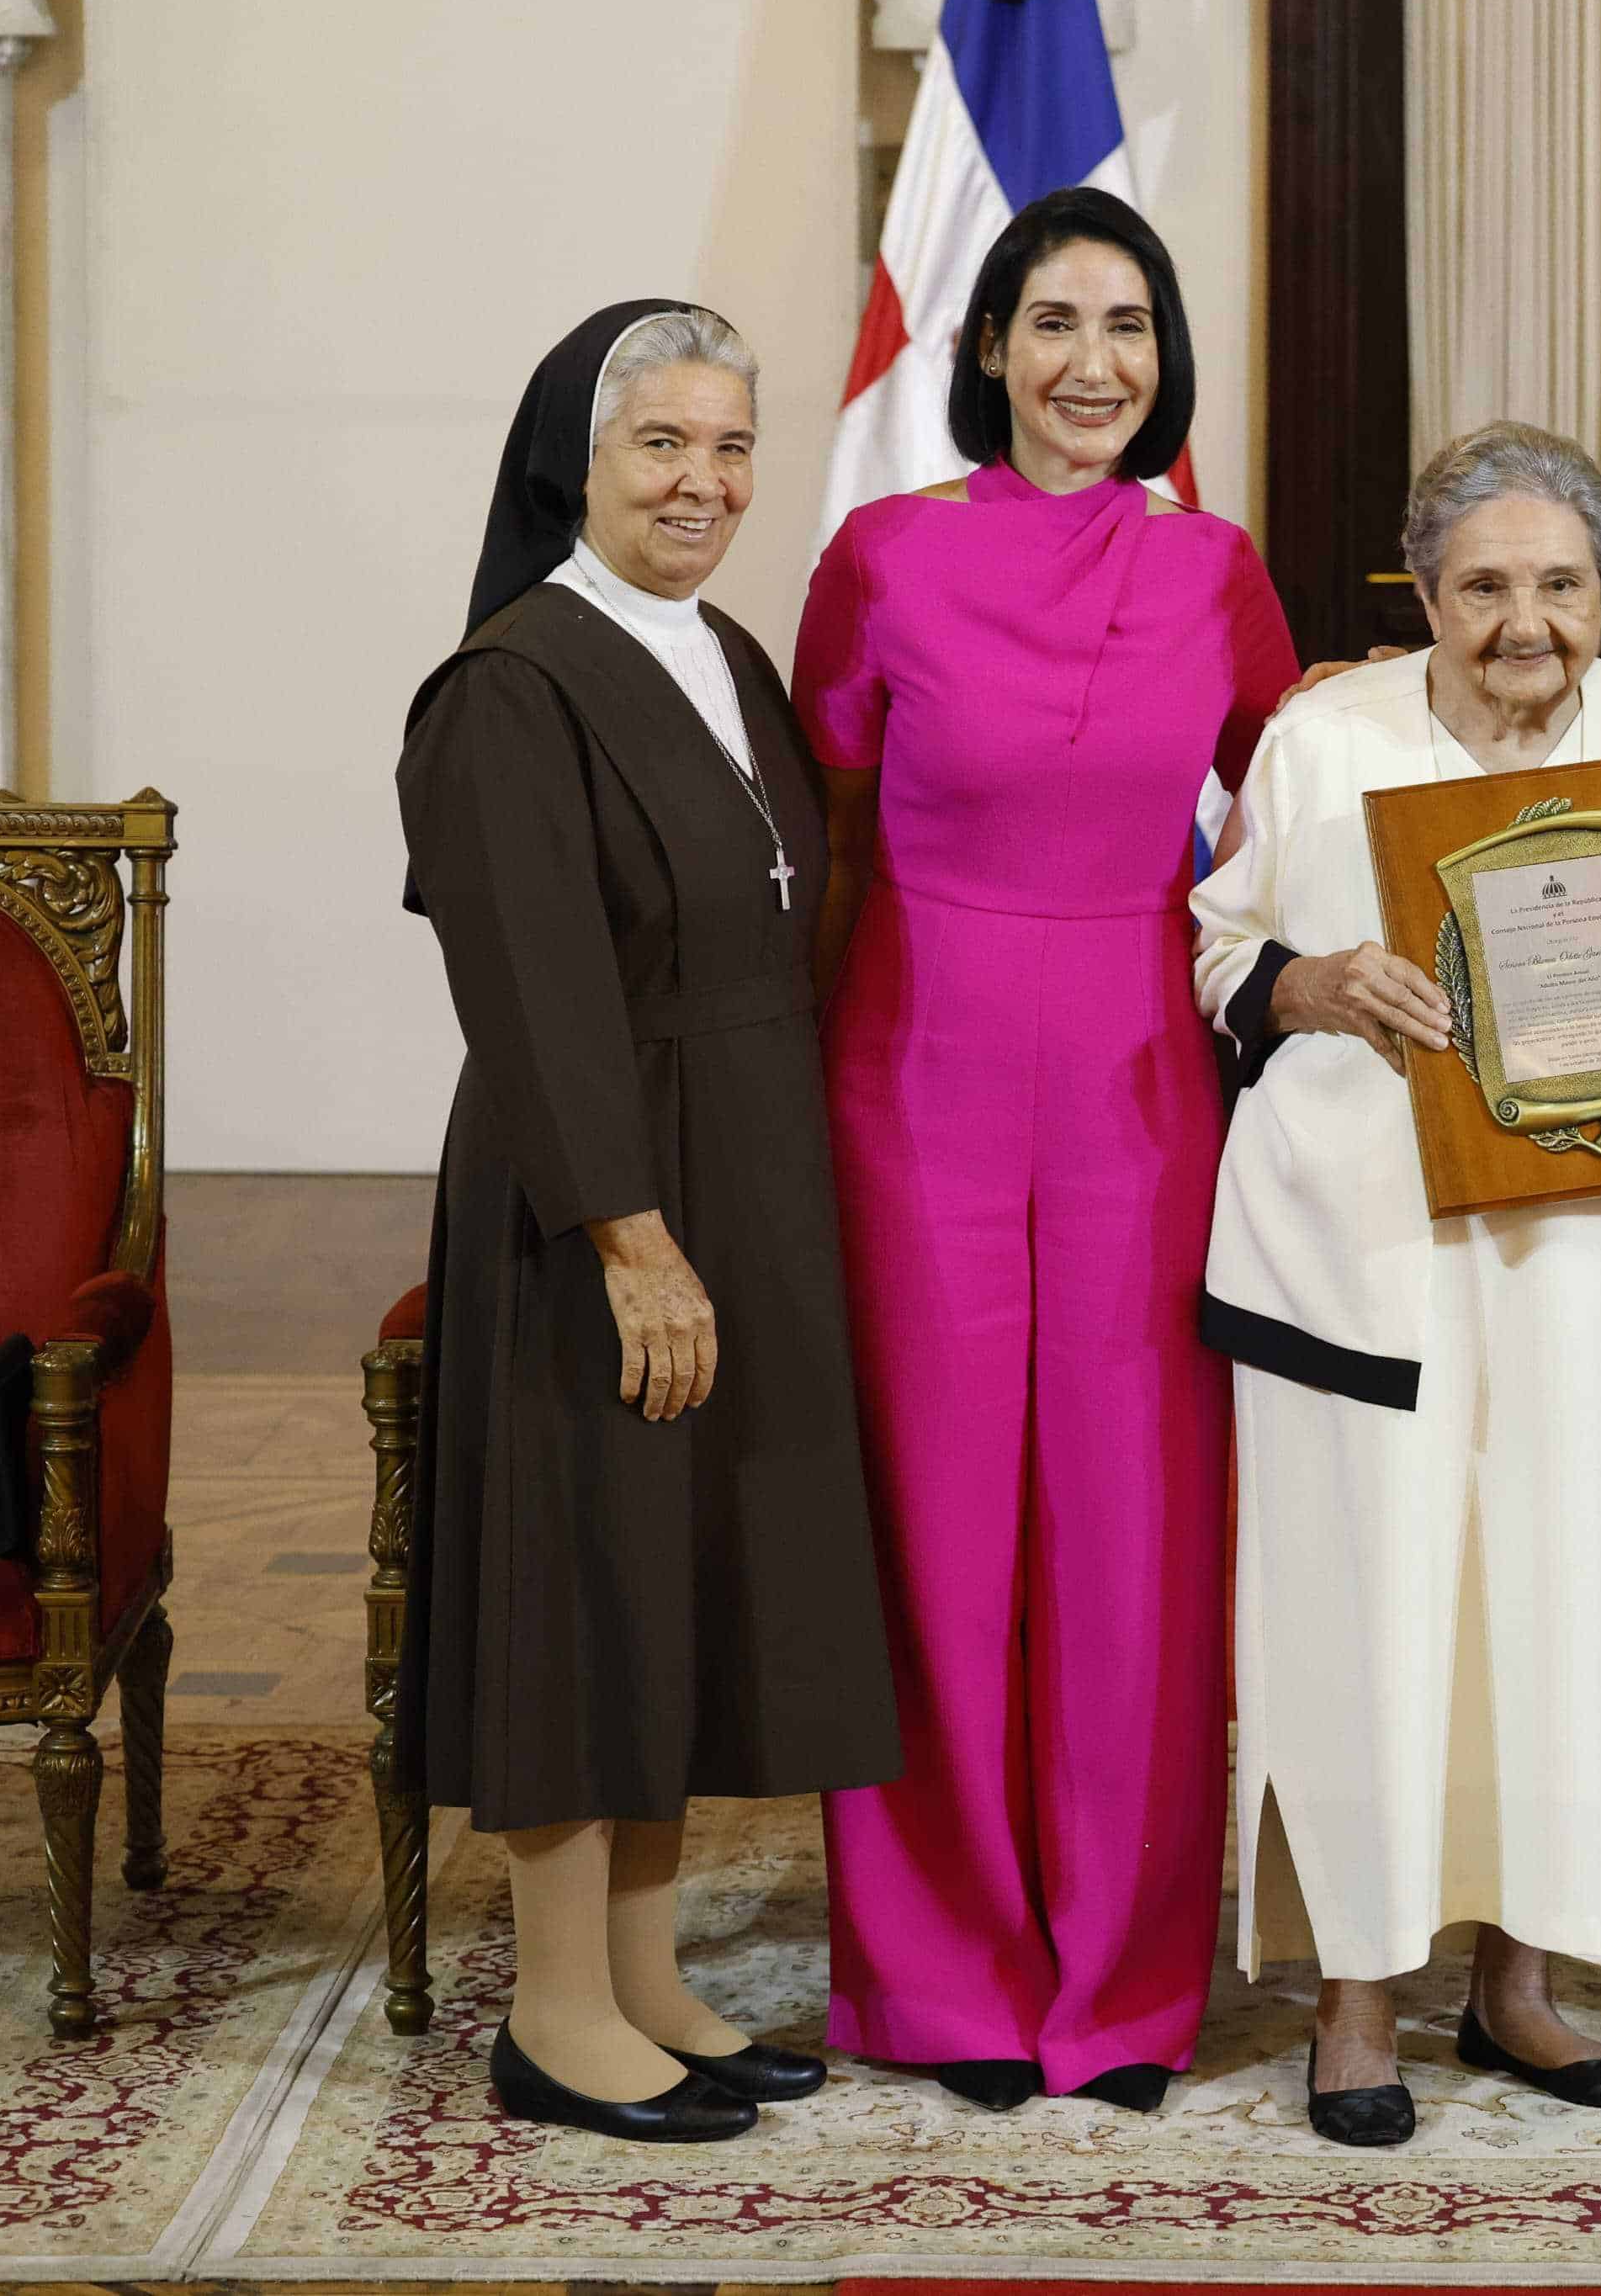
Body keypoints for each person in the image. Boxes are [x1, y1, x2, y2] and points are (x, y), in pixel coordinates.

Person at [1193, 422, 1601, 2148]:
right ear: (1424, 593)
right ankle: (1359, 2002)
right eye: (1482, 586)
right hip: (1365, 1269)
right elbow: (1217, 945)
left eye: (1558, 585)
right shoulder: (1323, 738)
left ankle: (1520, 1988)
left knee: (1567, 1619)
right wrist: (1315, 981)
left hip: (1590, 1273)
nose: (1524, 623)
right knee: (1366, 1623)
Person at [794, 187, 1299, 2117]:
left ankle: (1121, 1979)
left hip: (1139, 1077)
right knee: (936, 1521)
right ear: (989, 345)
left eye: (1132, 328)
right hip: (911, 1063)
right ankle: (940, 1976)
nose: (1095, 363)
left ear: (1166, 367)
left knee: (1132, 1533)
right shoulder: (880, 558)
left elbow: (1307, 802)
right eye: (1057, 322)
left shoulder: (1216, 572)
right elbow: (825, 835)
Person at [395, 300, 900, 2143]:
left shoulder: (727, 652)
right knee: (583, 1563)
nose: (705, 482)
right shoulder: (510, 683)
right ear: (577, 462)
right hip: (592, 1178)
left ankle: (643, 1968)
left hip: (746, 1153)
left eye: (732, 447)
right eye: (662, 446)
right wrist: (628, 1230)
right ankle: (547, 2006)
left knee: (686, 1561)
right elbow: (529, 987)